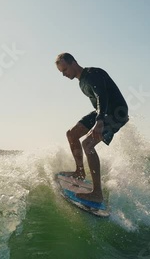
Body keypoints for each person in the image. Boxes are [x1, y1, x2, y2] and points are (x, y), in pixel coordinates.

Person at [55, 53, 129, 203]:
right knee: (72, 134)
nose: (63, 74)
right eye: (61, 72)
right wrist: (99, 117)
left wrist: (100, 121)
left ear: (73, 63)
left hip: (116, 112)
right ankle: (80, 172)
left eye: (64, 70)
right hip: (103, 111)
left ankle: (97, 194)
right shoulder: (81, 81)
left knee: (87, 144)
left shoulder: (92, 74)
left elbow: (102, 96)